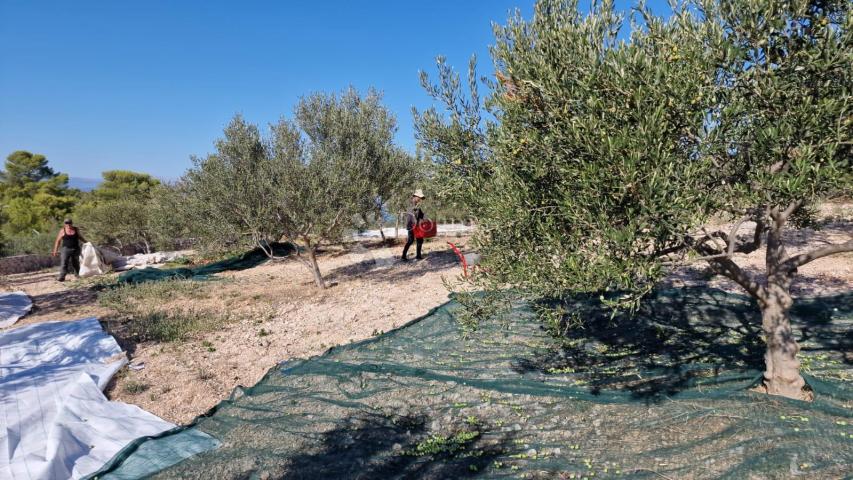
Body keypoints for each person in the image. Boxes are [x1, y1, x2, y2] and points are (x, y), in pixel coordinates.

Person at [402, 189, 426, 261]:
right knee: (411, 240)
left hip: (415, 225)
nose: (420, 199)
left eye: (421, 198)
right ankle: (404, 256)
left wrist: (424, 217)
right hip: (412, 225)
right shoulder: (411, 205)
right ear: (416, 196)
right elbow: (411, 215)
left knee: (418, 240)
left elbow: (421, 215)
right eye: (420, 198)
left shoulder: (416, 205)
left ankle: (417, 256)